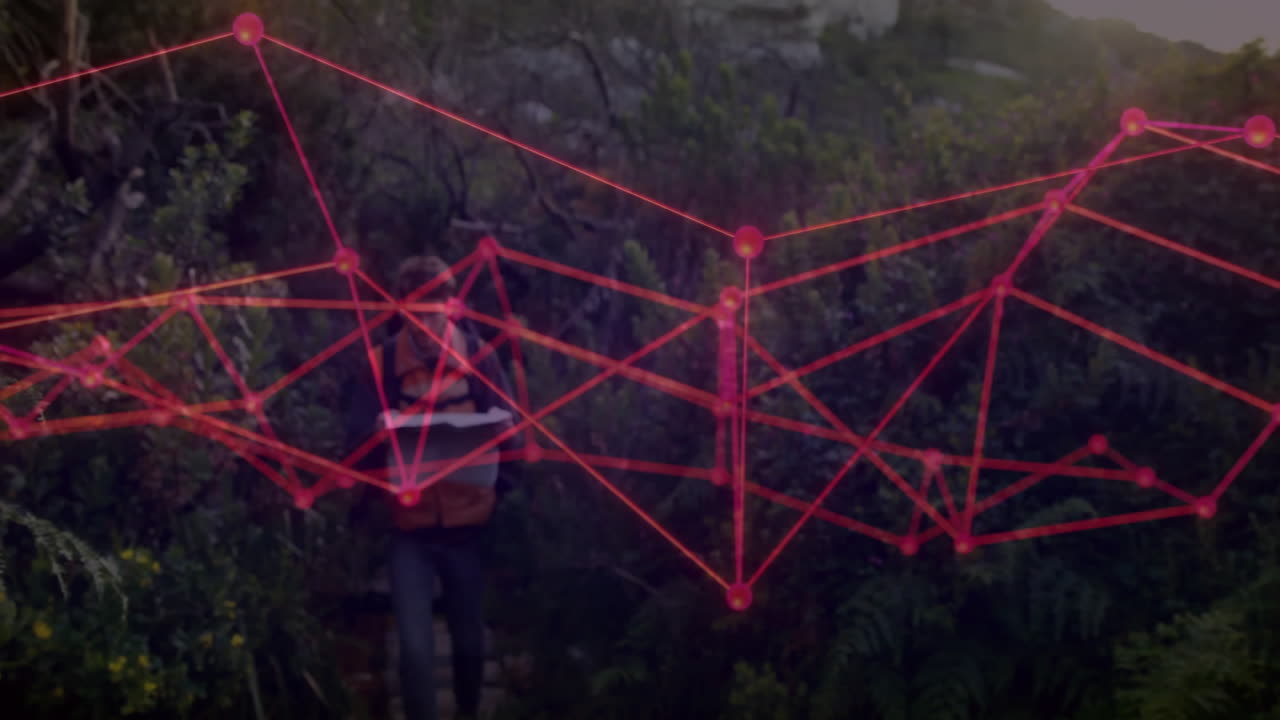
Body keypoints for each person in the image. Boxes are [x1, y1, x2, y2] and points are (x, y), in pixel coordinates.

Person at [346, 255, 524, 720]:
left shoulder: (481, 359)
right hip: (411, 531)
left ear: (450, 309)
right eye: (413, 314)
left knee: (469, 648)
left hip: (468, 529)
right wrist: (380, 439)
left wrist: (496, 489)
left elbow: (514, 438)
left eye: (432, 313)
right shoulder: (379, 364)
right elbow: (354, 446)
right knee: (415, 651)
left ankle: (467, 711)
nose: (424, 325)